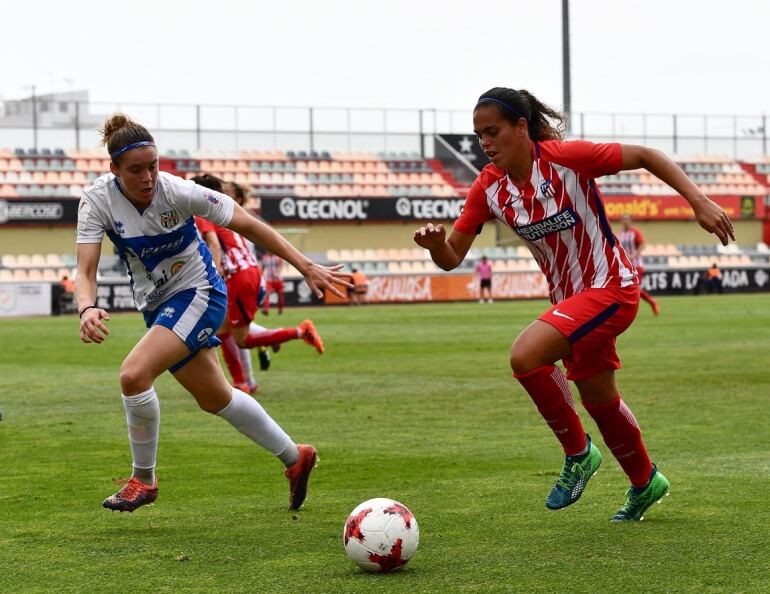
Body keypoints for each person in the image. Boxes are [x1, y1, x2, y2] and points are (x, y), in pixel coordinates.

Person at [414, 87, 735, 522]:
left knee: (525, 356)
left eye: (492, 131)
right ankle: (645, 483)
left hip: (612, 287)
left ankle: (578, 453)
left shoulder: (566, 158)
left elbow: (645, 154)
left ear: (522, 128)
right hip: (572, 304)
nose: (484, 143)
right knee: (600, 399)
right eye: (478, 136)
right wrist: (436, 247)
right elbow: (452, 258)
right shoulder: (488, 189)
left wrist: (698, 200)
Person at [75, 114, 350, 513]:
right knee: (216, 398)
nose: (148, 176)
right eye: (135, 170)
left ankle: (143, 480)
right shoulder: (96, 200)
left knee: (133, 375)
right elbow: (85, 270)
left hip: (199, 291)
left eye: (153, 165)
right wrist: (86, 306)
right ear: (113, 169)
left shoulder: (178, 192)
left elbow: (249, 224)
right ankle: (296, 457)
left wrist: (303, 264)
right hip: (158, 305)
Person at [192, 175, 325, 394]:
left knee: (241, 339)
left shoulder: (205, 209)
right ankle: (243, 383)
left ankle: (300, 332)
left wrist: (211, 277)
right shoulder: (229, 216)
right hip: (249, 275)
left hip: (239, 277)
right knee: (223, 328)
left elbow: (214, 244)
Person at [618, 214, 659, 315]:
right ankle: (626, 310)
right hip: (626, 267)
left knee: (636, 288)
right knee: (627, 288)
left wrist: (634, 255)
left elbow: (642, 245)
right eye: (624, 219)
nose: (625, 221)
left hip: (637, 265)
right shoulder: (621, 234)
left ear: (631, 221)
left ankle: (652, 302)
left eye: (627, 219)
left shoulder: (635, 232)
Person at [261, 251, 286, 315]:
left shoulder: (278, 257)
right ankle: (266, 309)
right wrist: (260, 276)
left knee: (280, 295)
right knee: (266, 293)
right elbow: (263, 268)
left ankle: (280, 309)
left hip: (278, 280)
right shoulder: (265, 258)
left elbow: (281, 266)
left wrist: (278, 273)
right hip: (269, 280)